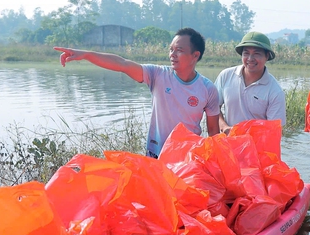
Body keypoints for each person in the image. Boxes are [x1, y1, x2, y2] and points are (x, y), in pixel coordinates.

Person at [55, 27, 220, 158]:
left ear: (195, 55)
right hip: (157, 154)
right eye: (171, 50)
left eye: (179, 50)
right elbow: (122, 64)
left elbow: (213, 132)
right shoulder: (158, 75)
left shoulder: (208, 89)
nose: (172, 54)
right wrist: (86, 55)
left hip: (188, 158)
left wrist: (214, 161)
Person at [214, 31, 286, 135]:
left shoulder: (275, 91)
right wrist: (224, 126)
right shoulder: (226, 76)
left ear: (267, 56)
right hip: (228, 144)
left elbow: (274, 131)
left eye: (257, 54)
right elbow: (213, 107)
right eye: (246, 53)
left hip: (256, 147)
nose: (250, 59)